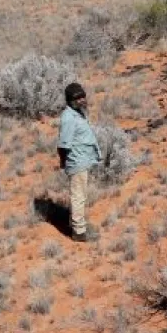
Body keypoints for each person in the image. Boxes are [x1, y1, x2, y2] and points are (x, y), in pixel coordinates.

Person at [57, 83, 100, 242]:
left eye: (83, 96)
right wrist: (65, 163)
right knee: (78, 196)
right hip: (77, 162)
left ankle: (76, 224)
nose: (82, 100)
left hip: (82, 160)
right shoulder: (68, 118)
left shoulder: (77, 113)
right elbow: (63, 145)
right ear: (69, 100)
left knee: (80, 195)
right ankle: (79, 232)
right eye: (77, 98)